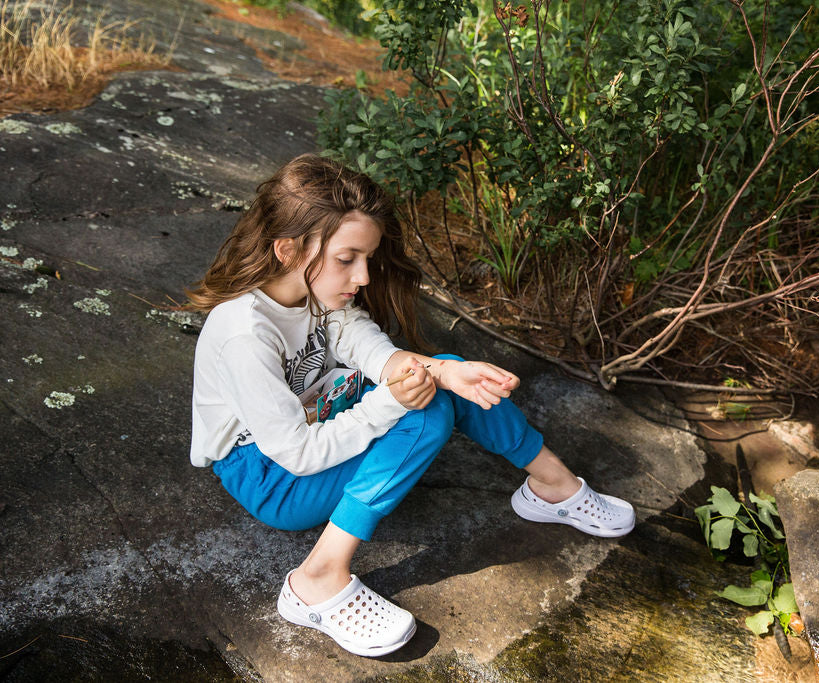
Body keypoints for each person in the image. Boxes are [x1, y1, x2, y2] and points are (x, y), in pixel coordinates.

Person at [186, 153, 634, 658]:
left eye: (367, 260)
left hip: (320, 414)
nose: (364, 277)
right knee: (423, 414)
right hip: (269, 474)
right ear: (289, 250)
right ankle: (315, 579)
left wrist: (445, 372)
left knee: (436, 373)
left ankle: (552, 483)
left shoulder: (315, 294)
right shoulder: (244, 333)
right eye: (347, 258)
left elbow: (375, 353)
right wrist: (391, 405)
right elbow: (297, 454)